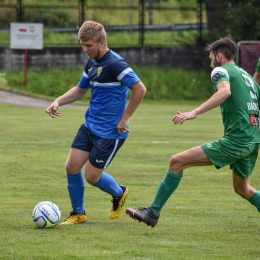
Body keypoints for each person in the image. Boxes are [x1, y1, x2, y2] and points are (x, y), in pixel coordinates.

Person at [126, 37, 260, 228]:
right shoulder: (248, 78)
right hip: (253, 141)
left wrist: (194, 112)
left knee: (176, 162)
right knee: (243, 188)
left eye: (211, 57)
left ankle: (152, 213)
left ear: (220, 56)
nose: (211, 62)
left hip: (238, 140)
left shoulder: (220, 71)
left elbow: (225, 92)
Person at [45, 21, 146, 224]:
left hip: (111, 132)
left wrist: (124, 118)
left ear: (101, 42)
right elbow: (81, 89)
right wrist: (58, 101)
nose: (85, 50)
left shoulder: (115, 63)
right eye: (82, 45)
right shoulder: (91, 63)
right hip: (90, 126)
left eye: (89, 45)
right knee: (71, 167)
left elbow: (140, 89)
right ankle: (78, 213)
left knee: (91, 176)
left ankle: (120, 193)